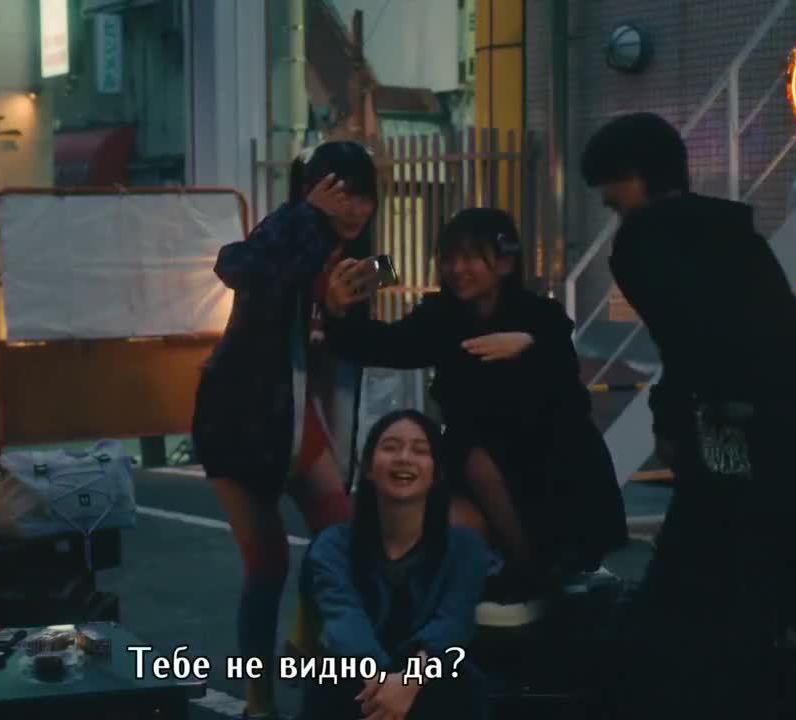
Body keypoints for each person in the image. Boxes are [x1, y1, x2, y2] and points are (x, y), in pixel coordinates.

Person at [580, 111, 796, 718]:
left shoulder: (643, 243)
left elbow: (691, 348)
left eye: (611, 187)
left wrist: (679, 429)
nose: (609, 202)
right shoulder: (737, 237)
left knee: (685, 599)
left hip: (732, 445)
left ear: (635, 174)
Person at [322, 207, 627, 618]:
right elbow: (387, 344)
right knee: (456, 485)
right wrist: (338, 313)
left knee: (479, 458)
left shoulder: (540, 316)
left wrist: (530, 348)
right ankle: (506, 575)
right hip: (476, 462)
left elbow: (567, 390)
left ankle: (536, 570)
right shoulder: (441, 317)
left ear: (504, 263)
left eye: (470, 258)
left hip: (549, 460)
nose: (456, 269)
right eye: (448, 258)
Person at [191, 141, 379, 718]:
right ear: (310, 193)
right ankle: (258, 699)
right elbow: (234, 265)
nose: (352, 207)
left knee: (343, 545)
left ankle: (309, 651)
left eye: (362, 195)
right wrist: (303, 215)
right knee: (267, 564)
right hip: (239, 425)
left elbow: (345, 344)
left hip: (303, 425)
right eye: (337, 193)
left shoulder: (358, 262)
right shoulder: (284, 244)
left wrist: (343, 308)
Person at [298, 409, 490, 720]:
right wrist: (382, 688)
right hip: (359, 682)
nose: (404, 458)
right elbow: (344, 618)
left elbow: (452, 623)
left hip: (430, 678)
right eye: (390, 447)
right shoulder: (332, 546)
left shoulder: (466, 548)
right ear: (368, 468)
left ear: (437, 473)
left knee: (461, 686)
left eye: (420, 450)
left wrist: (408, 683)